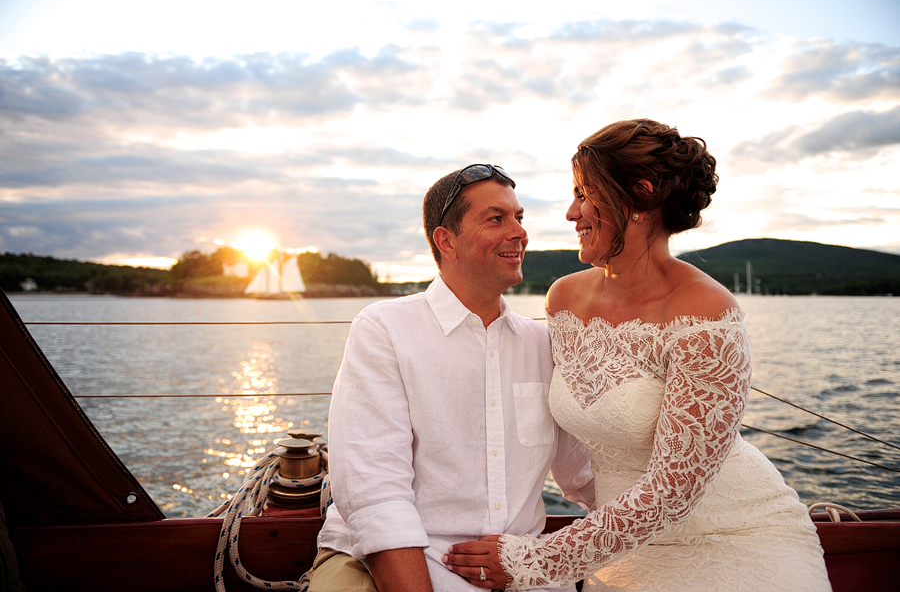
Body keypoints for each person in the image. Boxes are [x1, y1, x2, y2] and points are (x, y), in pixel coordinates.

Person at [443, 120, 832, 591]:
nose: (571, 213)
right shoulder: (564, 299)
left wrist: (534, 561)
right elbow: (562, 438)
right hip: (624, 548)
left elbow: (674, 491)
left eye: (585, 195)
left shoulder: (705, 312)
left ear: (641, 198)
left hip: (737, 536)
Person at [307, 164, 595, 592]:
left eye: (519, 218)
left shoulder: (545, 346)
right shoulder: (384, 328)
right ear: (446, 240)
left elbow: (585, 475)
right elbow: (376, 493)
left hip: (515, 568)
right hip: (383, 564)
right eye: (497, 219)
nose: (519, 233)